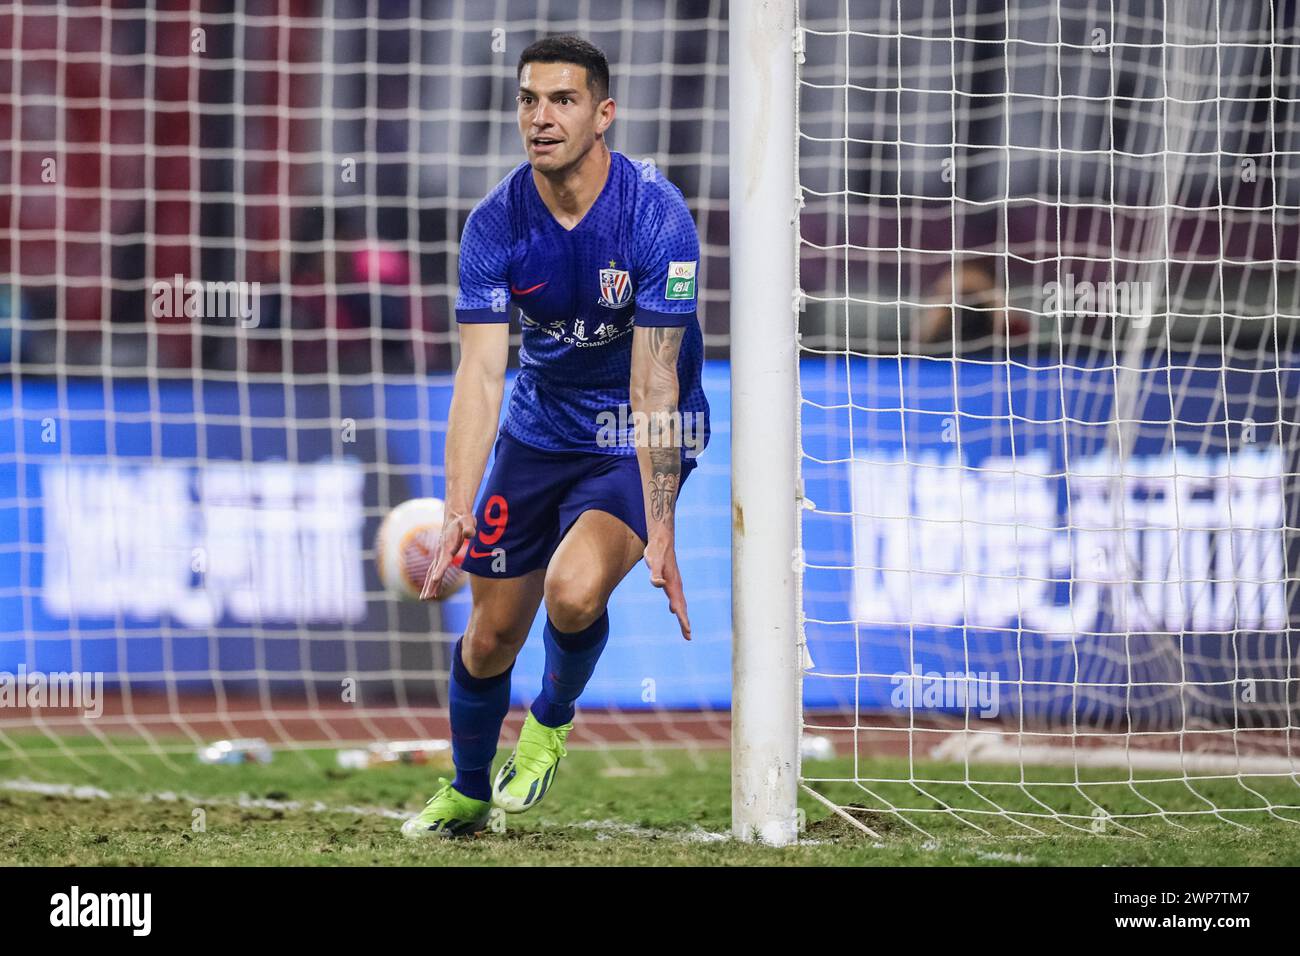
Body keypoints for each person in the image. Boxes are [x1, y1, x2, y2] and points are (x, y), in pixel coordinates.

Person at [401, 34, 709, 838]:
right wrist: (459, 507)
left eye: (563, 100)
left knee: (574, 593)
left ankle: (549, 722)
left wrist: (662, 524)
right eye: (529, 100)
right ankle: (469, 791)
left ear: (603, 113)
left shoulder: (655, 216)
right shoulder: (495, 223)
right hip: (537, 431)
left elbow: (655, 382)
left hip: (627, 431)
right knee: (490, 633)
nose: (541, 118)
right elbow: (480, 375)